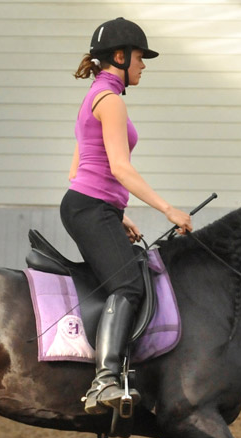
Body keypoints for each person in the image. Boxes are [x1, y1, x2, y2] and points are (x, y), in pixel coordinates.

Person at [61, 17, 192, 415]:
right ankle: (104, 380)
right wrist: (168, 208)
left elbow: (77, 169)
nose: (143, 65)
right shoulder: (112, 101)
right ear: (119, 57)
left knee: (129, 277)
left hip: (91, 206)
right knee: (129, 286)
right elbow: (120, 168)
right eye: (140, 57)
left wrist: (116, 215)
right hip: (90, 208)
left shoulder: (96, 96)